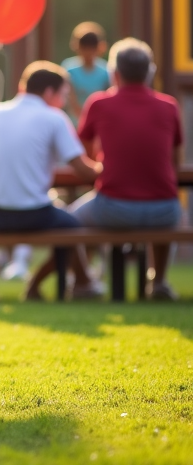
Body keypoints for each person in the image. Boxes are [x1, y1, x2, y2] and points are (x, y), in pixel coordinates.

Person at [0, 61, 102, 302]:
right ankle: (82, 282)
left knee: (64, 219)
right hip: (33, 214)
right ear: (50, 92)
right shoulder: (54, 117)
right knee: (74, 226)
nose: (63, 101)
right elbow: (84, 171)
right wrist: (108, 167)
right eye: (62, 95)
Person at [69, 38, 183, 301]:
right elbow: (175, 160)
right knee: (170, 206)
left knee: (67, 221)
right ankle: (159, 282)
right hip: (164, 211)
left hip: (113, 207)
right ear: (150, 73)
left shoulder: (99, 103)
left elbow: (82, 148)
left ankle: (84, 281)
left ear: (114, 73)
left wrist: (103, 164)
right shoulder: (169, 106)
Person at [62, 22, 111, 125]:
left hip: (97, 123)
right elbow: (70, 100)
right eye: (85, 47)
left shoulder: (106, 71)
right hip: (74, 124)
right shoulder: (69, 69)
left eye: (92, 48)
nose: (88, 52)